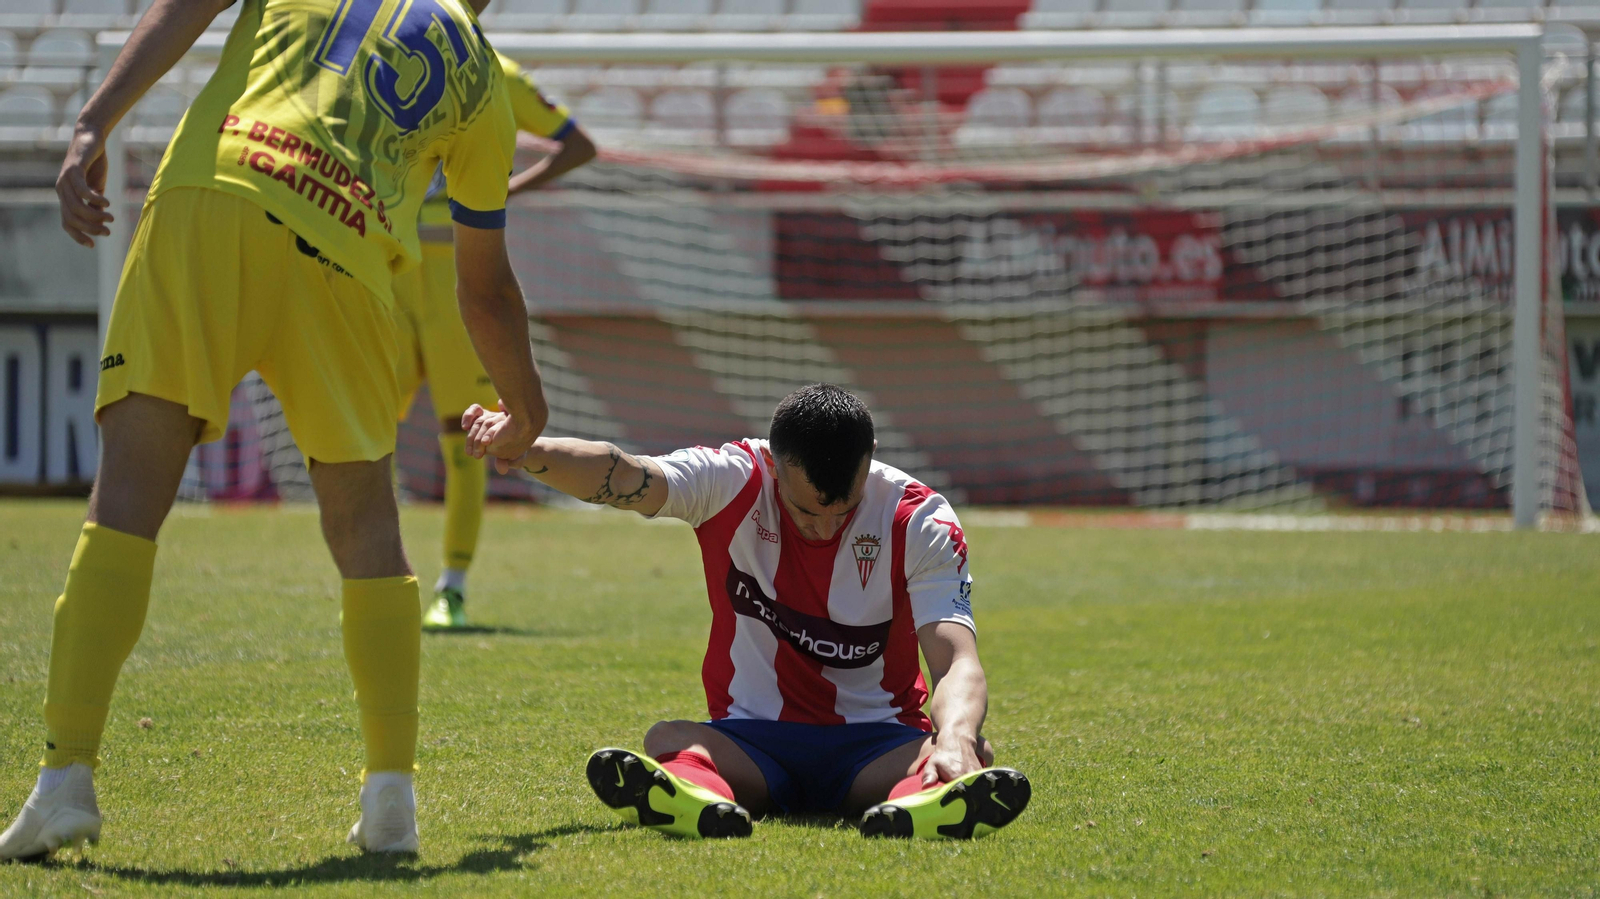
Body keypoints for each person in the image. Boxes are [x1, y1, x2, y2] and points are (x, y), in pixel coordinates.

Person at [1, 0, 547, 862]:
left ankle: (65, 776)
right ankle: (392, 800)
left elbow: (186, 5)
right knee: (368, 526)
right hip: (353, 254)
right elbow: (484, 288)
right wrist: (529, 405)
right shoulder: (481, 76)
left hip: (214, 196)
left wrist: (92, 125)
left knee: (128, 501)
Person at [464, 384, 1031, 839]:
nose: (826, 527)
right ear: (775, 465)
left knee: (969, 751)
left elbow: (956, 659)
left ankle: (919, 805)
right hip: (752, 743)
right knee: (671, 735)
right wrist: (531, 451)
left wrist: (954, 735)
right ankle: (702, 801)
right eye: (808, 513)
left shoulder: (921, 519)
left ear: (871, 463)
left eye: (846, 508)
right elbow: (627, 475)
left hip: (880, 744)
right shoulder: (732, 478)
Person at [398, 55, 596, 631]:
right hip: (384, 273)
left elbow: (579, 145)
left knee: (468, 441)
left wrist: (506, 191)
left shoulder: (495, 73)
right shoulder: (387, 54)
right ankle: (376, 579)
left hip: (456, 279)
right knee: (362, 433)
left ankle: (451, 589)